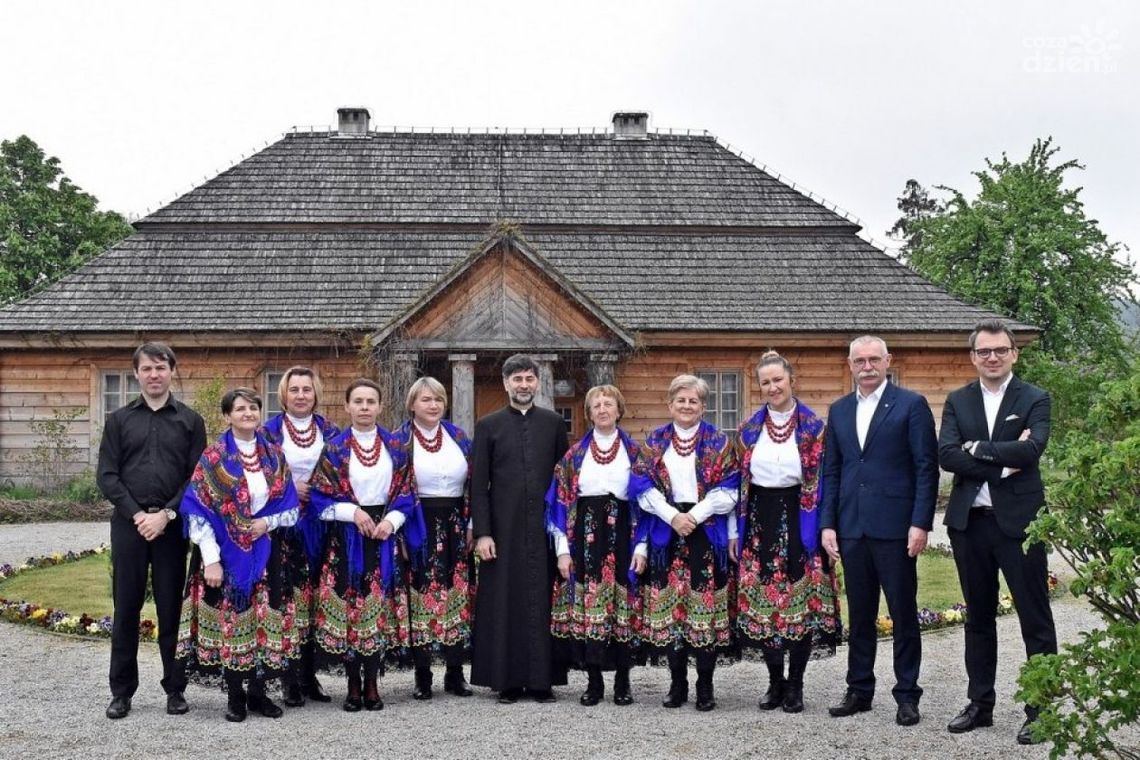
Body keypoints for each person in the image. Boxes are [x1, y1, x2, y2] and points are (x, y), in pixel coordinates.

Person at [938, 319, 1057, 745]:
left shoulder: (1034, 398)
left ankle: (1040, 709)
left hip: (1019, 526)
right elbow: (948, 455)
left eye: (1000, 350)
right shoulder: (958, 401)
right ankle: (980, 703)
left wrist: (981, 448)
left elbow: (1032, 449)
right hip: (971, 525)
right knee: (978, 617)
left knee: (1035, 618)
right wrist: (1004, 460)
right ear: (973, 357)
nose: (992, 357)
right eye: (984, 351)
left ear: (1013, 353)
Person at [820, 336, 938, 727]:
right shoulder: (838, 411)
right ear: (849, 364)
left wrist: (920, 522)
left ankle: (907, 694)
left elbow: (926, 467)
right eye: (859, 360)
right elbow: (831, 472)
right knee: (861, 613)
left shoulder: (911, 405)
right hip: (852, 527)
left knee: (903, 613)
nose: (867, 366)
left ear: (888, 361)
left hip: (896, 528)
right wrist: (827, 524)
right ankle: (859, 689)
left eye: (874, 359)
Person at [177, 387, 301, 722]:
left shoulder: (274, 455)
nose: (247, 413)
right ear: (228, 416)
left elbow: (290, 508)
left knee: (265, 620)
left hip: (266, 549)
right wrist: (211, 559)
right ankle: (235, 695)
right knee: (234, 622)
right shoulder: (214, 457)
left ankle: (260, 693)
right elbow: (198, 509)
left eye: (253, 408)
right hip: (226, 553)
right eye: (240, 408)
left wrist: (265, 522)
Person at [97, 342, 207, 720]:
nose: (154, 374)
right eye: (147, 369)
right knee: (125, 608)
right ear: (137, 374)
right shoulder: (119, 421)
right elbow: (107, 475)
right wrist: (137, 515)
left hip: (171, 529)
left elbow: (197, 479)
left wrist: (166, 516)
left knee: (171, 609)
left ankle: (174, 688)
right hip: (129, 528)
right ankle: (122, 692)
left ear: (172, 371)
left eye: (161, 368)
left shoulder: (190, 421)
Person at [734, 350, 841, 713]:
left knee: (800, 603)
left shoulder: (815, 428)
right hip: (760, 521)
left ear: (792, 380)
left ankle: (796, 684)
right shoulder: (748, 430)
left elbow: (827, 481)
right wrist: (736, 531)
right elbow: (739, 487)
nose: (772, 387)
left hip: (802, 516)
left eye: (778, 379)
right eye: (765, 382)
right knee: (766, 603)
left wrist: (827, 527)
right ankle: (774, 682)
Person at [309, 378, 425, 712]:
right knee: (350, 609)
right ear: (347, 406)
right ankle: (352, 684)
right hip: (346, 538)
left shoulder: (397, 446)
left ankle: (373, 683)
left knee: (376, 610)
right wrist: (352, 512)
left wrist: (391, 521)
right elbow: (318, 498)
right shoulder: (333, 448)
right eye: (357, 401)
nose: (364, 407)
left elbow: (407, 493)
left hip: (383, 537)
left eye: (370, 401)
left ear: (379, 406)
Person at [631, 374, 739, 712]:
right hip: (667, 532)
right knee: (672, 610)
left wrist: (696, 514)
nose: (687, 406)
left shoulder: (719, 442)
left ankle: (705, 685)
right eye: (681, 400)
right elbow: (640, 485)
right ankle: (677, 684)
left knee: (702, 610)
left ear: (703, 406)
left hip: (704, 533)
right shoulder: (655, 441)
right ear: (670, 404)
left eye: (693, 401)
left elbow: (731, 487)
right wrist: (672, 517)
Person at [470, 354, 569, 703]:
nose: (523, 385)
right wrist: (482, 532)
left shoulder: (555, 424)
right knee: (505, 601)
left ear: (537, 383)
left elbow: (564, 483)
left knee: (544, 600)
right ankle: (508, 681)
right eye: (517, 379)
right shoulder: (488, 426)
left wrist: (563, 538)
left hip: (543, 530)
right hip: (503, 530)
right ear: (505, 383)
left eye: (529, 379)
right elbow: (478, 484)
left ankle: (543, 682)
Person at [545, 384, 648, 706]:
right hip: (584, 541)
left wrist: (642, 548)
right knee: (590, 610)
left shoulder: (636, 454)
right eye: (596, 405)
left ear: (619, 410)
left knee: (621, 608)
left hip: (622, 539)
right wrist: (562, 549)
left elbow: (647, 504)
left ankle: (622, 681)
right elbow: (558, 504)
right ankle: (593, 682)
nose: (603, 410)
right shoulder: (574, 457)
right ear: (588, 414)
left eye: (608, 404)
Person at [260, 366, 341, 707]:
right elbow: (254, 471)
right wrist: (288, 487)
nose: (301, 396)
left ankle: (310, 675)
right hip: (285, 526)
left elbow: (344, 469)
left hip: (321, 523)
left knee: (316, 600)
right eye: (294, 390)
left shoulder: (330, 430)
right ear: (284, 394)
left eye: (307, 390)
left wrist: (321, 489)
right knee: (289, 599)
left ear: (315, 393)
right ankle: (288, 678)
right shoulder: (269, 432)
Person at [395, 376, 475, 700]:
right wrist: (399, 532)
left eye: (438, 399)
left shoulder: (458, 436)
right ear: (412, 404)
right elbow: (394, 489)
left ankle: (456, 673)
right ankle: (423, 674)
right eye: (426, 399)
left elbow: (475, 483)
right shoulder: (400, 440)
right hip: (418, 523)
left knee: (456, 594)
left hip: (456, 522)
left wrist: (473, 523)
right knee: (422, 596)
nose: (433, 405)